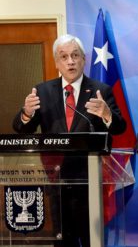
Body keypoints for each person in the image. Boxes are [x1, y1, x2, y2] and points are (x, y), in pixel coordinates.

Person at [12, 34, 126, 247]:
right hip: (57, 178)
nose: (70, 61)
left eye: (75, 56)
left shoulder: (101, 90)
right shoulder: (43, 91)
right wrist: (26, 113)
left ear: (84, 59)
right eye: (63, 57)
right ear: (57, 63)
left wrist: (107, 115)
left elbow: (120, 129)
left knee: (92, 238)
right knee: (63, 239)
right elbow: (21, 128)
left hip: (90, 179)